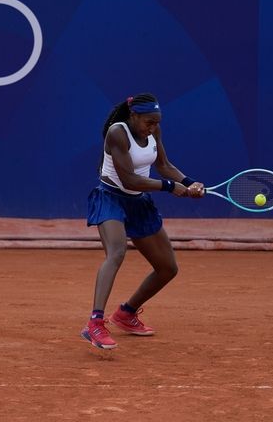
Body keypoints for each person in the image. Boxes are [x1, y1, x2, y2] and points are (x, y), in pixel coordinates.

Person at [81, 93, 205, 350]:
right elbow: (129, 180)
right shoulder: (118, 133)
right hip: (111, 198)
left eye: (156, 122)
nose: (153, 127)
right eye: (148, 122)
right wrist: (170, 187)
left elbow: (164, 165)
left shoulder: (153, 131)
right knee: (116, 252)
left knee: (167, 268)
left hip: (139, 203)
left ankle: (126, 313)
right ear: (133, 115)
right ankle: (95, 323)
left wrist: (189, 182)